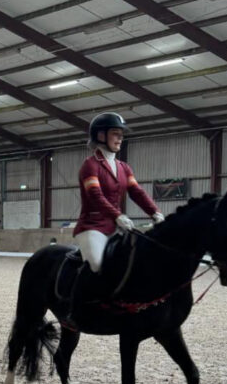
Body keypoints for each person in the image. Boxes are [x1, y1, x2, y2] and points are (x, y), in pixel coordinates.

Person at [65, 112, 164, 326]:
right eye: (115, 134)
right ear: (101, 135)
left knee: (134, 259)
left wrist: (155, 213)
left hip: (116, 225)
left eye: (121, 135)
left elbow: (137, 192)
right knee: (96, 263)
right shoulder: (90, 165)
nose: (120, 138)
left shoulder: (124, 167)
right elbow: (95, 195)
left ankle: (126, 303)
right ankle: (75, 309)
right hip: (92, 226)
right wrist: (117, 215)